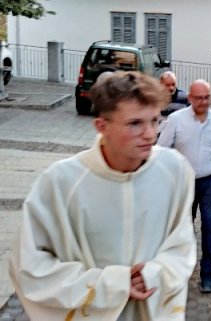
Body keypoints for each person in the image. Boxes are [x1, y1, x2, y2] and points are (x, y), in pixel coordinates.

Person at [10, 71, 196, 320]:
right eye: (135, 124)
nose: (151, 134)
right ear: (101, 126)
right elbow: (29, 266)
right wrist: (113, 284)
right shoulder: (61, 182)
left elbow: (182, 243)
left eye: (155, 120)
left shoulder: (175, 169)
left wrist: (153, 273)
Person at [157, 79, 211, 293]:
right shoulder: (175, 120)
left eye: (206, 97)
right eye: (199, 98)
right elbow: (161, 151)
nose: (203, 101)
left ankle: (207, 273)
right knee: (182, 228)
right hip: (182, 182)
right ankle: (181, 270)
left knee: (210, 227)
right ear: (190, 98)